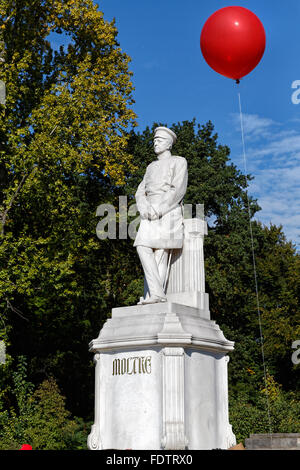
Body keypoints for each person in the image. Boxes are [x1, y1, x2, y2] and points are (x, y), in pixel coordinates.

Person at [134, 126, 188, 304]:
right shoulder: (151, 167)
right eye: (154, 140)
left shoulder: (179, 162)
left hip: (168, 211)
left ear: (169, 144)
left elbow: (178, 189)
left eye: (159, 140)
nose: (155, 143)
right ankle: (157, 293)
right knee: (142, 245)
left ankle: (155, 295)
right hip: (148, 212)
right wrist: (143, 207)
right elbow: (140, 191)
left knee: (161, 253)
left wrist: (159, 209)